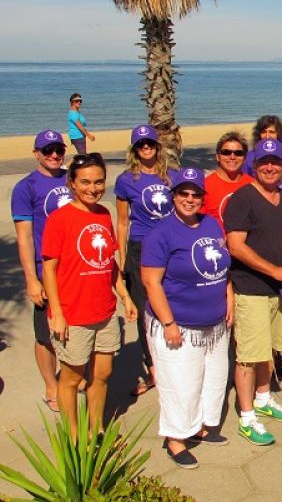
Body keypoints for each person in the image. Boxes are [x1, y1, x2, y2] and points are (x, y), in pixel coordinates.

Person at [141, 168, 233, 469]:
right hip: (179, 323)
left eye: (196, 194)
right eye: (184, 193)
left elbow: (223, 265)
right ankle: (176, 439)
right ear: (174, 195)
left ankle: (203, 427)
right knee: (181, 382)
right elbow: (152, 282)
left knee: (213, 378)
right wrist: (168, 323)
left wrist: (228, 298)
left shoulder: (211, 224)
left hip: (215, 322)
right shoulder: (161, 233)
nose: (190, 199)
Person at [41, 153, 136, 437]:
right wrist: (57, 314)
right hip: (73, 313)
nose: (92, 188)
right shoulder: (60, 218)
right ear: (72, 183)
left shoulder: (104, 214)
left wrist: (125, 297)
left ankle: (97, 430)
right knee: (72, 377)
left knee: (103, 373)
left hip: (104, 311)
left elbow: (108, 264)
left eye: (98, 182)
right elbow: (49, 269)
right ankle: (73, 437)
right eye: (85, 182)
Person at [224, 138, 282, 445]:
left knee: (268, 350)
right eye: (263, 162)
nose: (270, 167)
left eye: (275, 162)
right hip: (252, 289)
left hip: (279, 289)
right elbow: (235, 245)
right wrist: (274, 271)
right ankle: (247, 418)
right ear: (254, 165)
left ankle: (263, 397)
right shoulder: (243, 198)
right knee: (248, 354)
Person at [115, 125, 180, 396]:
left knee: (171, 304)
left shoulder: (173, 177)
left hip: (171, 247)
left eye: (150, 143)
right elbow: (121, 223)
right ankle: (153, 369)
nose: (146, 148)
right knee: (144, 310)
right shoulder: (126, 180)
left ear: (157, 146)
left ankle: (175, 363)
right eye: (140, 144)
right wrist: (122, 259)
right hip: (140, 249)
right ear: (134, 149)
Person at [11, 130, 73, 412]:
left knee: (76, 326)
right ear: (36, 153)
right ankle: (51, 385)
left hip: (75, 268)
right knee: (45, 334)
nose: (54, 155)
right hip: (45, 270)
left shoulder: (72, 178)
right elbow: (24, 237)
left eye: (58, 149)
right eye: (47, 150)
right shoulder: (26, 187)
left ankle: (71, 377)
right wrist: (31, 279)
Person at [201, 131, 253, 228]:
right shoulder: (205, 186)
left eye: (238, 153)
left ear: (245, 158)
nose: (232, 157)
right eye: (226, 152)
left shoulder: (253, 185)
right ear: (218, 156)